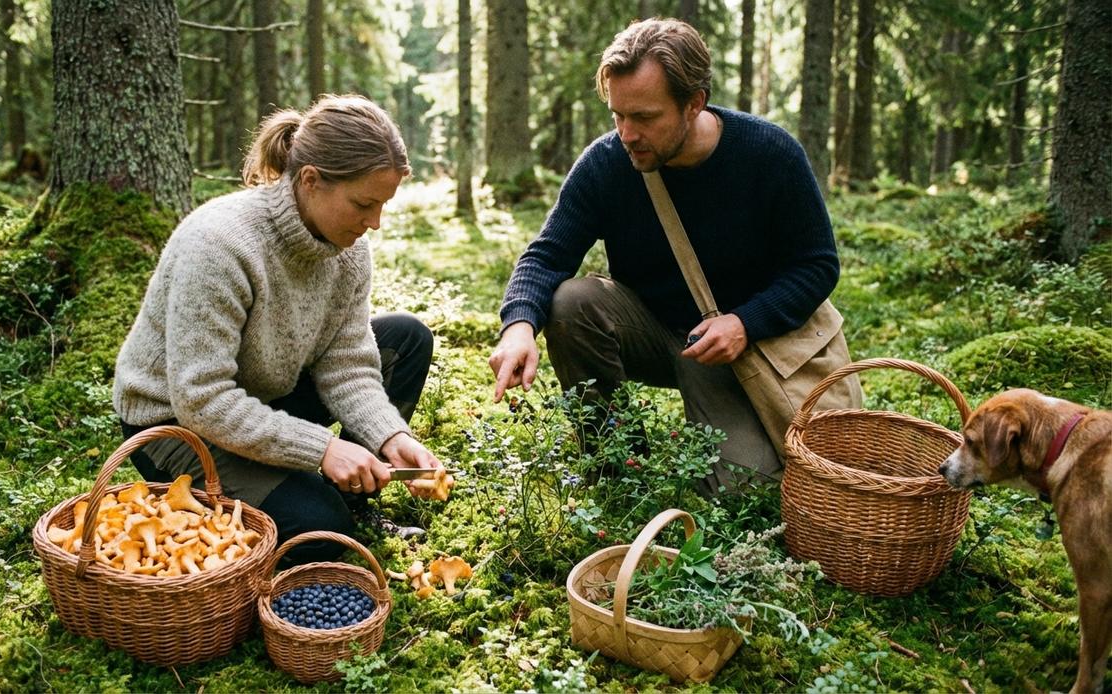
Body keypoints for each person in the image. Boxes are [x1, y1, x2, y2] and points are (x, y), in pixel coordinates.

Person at [488, 18, 843, 491]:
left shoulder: (770, 154)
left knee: (745, 489)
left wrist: (745, 322)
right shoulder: (606, 163)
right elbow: (547, 255)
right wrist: (518, 327)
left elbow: (817, 264)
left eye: (645, 117)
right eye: (617, 115)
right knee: (570, 303)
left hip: (744, 347)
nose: (627, 133)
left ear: (694, 103)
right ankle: (615, 466)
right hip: (654, 331)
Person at [113, 95, 440, 565]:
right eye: (364, 204)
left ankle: (345, 496)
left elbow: (346, 363)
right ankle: (318, 507)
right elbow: (201, 398)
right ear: (310, 181)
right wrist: (322, 449)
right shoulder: (220, 244)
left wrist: (391, 437)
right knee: (320, 534)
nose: (375, 223)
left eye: (383, 205)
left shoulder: (348, 250)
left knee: (405, 338)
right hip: (176, 424)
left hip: (261, 397)